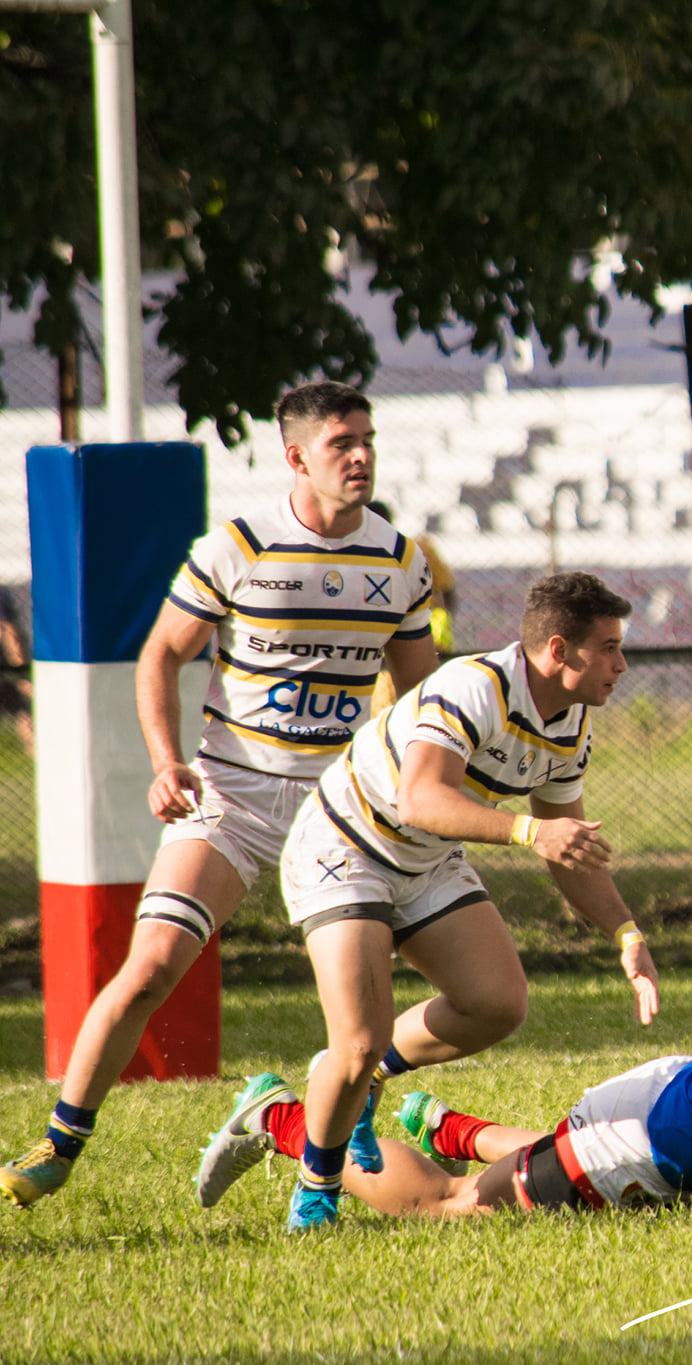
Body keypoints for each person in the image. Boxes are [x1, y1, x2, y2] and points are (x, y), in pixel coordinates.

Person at [0, 381, 441, 1210]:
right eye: (342, 442)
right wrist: (168, 762)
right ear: (297, 456)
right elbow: (161, 654)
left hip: (341, 809)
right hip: (233, 795)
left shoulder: (399, 560)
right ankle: (58, 1143)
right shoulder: (237, 546)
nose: (360, 456)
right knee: (149, 967)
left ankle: (355, 1103)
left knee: (399, 998)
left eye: (368, 440)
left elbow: (423, 702)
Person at [195, 893, 692, 1217]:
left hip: (662, 1107)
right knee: (451, 1206)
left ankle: (443, 1120)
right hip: (642, 1145)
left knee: (549, 1153)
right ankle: (284, 1117)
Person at [270, 570, 660, 1230]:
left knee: (498, 1004)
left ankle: (358, 1078)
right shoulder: (474, 686)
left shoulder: (571, 724)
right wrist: (531, 830)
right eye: (611, 646)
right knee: (357, 1039)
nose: (622, 664)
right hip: (346, 846)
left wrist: (626, 932)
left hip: (423, 860)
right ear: (559, 649)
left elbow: (571, 851)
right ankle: (316, 1189)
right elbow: (422, 796)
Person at [366, 499, 459, 714]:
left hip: (427, 641)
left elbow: (448, 589)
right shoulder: (357, 558)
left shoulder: (416, 551)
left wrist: (440, 622)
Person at [0, 584, 31, 757]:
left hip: (9, 668)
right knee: (24, 713)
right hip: (9, 668)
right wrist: (19, 671)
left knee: (24, 714)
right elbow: (9, 632)